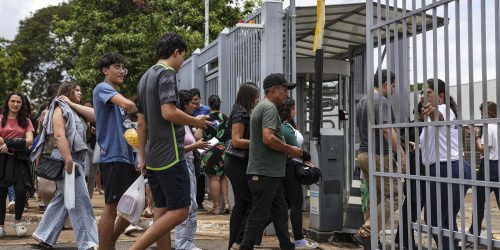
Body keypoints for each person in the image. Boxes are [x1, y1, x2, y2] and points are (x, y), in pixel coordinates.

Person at [132, 33, 209, 250]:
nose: (182, 63)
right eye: (182, 56)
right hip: (171, 154)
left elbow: (141, 123)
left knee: (162, 211)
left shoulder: (144, 77)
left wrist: (143, 156)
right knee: (181, 210)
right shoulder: (166, 74)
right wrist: (196, 121)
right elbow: (168, 112)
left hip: (153, 156)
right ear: (176, 53)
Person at [32, 82, 98, 249]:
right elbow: (60, 136)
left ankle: (44, 236)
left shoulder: (73, 108)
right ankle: (88, 242)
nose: (80, 92)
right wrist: (68, 160)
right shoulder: (58, 109)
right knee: (80, 200)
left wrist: (71, 103)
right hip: (67, 157)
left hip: (77, 157)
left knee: (63, 198)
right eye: (76, 90)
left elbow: (95, 115)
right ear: (67, 91)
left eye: (80, 90)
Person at [239, 73, 302, 250]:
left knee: (281, 213)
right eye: (284, 90)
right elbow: (268, 138)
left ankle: (286, 246)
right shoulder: (269, 108)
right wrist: (291, 149)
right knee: (258, 215)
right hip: (264, 174)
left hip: (270, 174)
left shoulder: (262, 107)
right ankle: (244, 246)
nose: (286, 94)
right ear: (273, 89)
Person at [352, 69, 407, 249]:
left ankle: (370, 239)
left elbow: (374, 129)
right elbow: (385, 129)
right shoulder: (381, 101)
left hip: (363, 154)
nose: (393, 90)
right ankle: (365, 232)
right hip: (378, 156)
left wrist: (405, 142)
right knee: (396, 195)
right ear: (385, 84)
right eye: (392, 86)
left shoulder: (362, 101)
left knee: (376, 198)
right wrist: (400, 152)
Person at [93, 52, 139, 250]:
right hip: (113, 155)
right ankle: (104, 246)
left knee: (133, 206)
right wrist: (142, 108)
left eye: (123, 68)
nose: (122, 71)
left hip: (127, 155)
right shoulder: (103, 88)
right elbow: (129, 106)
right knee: (111, 207)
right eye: (117, 67)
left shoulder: (114, 94)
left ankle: (110, 241)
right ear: (105, 70)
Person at [420, 78, 471, 250]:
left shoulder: (443, 109)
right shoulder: (433, 116)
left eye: (428, 93)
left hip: (447, 169)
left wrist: (432, 111)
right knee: (446, 220)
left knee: (433, 221)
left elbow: (439, 117)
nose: (422, 96)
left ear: (440, 97)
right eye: (422, 93)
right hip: (455, 168)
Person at [277, 97, 319, 249]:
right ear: (288, 110)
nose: (295, 111)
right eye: (294, 108)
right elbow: (295, 149)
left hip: (292, 167)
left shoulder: (288, 125)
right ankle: (300, 241)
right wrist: (307, 157)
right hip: (290, 169)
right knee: (295, 204)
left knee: (283, 205)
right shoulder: (284, 127)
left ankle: (251, 236)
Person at [224, 82, 260, 250]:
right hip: (237, 163)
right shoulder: (240, 112)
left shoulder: (240, 111)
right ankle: (238, 242)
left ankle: (236, 243)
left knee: (242, 203)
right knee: (248, 201)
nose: (258, 100)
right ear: (249, 97)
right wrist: (259, 143)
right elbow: (237, 141)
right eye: (256, 97)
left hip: (237, 163)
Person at [175, 89, 210, 250]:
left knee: (192, 204)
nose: (195, 105)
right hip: (183, 164)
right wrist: (196, 146)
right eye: (192, 102)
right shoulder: (178, 122)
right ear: (184, 105)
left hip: (189, 163)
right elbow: (176, 148)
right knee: (187, 205)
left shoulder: (186, 121)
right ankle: (183, 243)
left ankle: (187, 241)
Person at [0, 93, 34, 237]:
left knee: (20, 190)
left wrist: (9, 143)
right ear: (7, 103)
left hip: (20, 160)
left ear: (22, 104)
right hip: (2, 159)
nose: (15, 104)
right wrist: (5, 143)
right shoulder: (1, 119)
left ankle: (18, 221)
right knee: (1, 192)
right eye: (12, 101)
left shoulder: (26, 121)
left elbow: (30, 140)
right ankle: (0, 225)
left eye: (18, 102)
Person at [468, 102, 499, 236]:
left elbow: (482, 150)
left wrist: (475, 137)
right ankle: (473, 230)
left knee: (479, 200)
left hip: (488, 165)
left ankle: (474, 231)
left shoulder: (488, 127)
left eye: (482, 113)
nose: (481, 116)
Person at [196, 95, 231, 214]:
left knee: (213, 177)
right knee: (223, 176)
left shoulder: (205, 118)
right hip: (223, 149)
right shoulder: (226, 118)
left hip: (210, 149)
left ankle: (216, 206)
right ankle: (226, 203)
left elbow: (198, 136)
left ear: (209, 104)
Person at [191, 88, 210, 210]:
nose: (195, 104)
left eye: (196, 100)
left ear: (200, 98)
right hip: (191, 143)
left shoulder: (206, 109)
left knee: (201, 173)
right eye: (192, 101)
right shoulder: (188, 110)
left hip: (202, 143)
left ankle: (199, 200)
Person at [82, 99, 100, 198]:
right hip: (84, 148)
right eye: (86, 107)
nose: (88, 108)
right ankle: (84, 195)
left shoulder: (97, 120)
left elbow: (103, 135)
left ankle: (89, 196)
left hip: (94, 148)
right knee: (86, 173)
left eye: (90, 107)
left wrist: (95, 132)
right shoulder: (81, 120)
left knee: (93, 174)